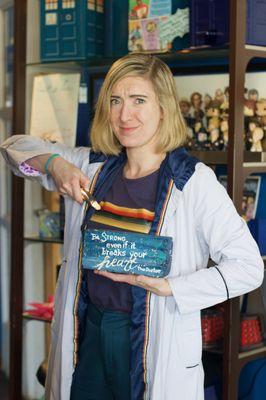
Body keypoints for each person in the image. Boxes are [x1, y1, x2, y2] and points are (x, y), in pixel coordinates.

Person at [0, 53, 264, 400]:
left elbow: (249, 267)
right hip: (89, 329)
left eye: (139, 100)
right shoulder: (93, 166)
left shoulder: (193, 181)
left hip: (150, 335)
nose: (125, 115)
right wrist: (55, 165)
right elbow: (13, 148)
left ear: (164, 108)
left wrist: (171, 287)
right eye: (116, 101)